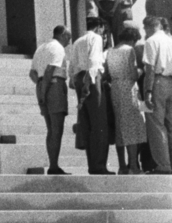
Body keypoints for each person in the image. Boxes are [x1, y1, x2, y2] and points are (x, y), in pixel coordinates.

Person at [65, 16, 110, 174]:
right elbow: (93, 61)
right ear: (99, 27)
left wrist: (79, 82)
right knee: (99, 124)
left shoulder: (78, 41)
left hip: (78, 78)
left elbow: (71, 67)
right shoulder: (96, 38)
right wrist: (88, 83)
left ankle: (93, 165)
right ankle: (99, 165)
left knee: (87, 123)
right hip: (90, 78)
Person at [105, 23, 147, 174]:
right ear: (132, 40)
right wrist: (141, 71)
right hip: (129, 88)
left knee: (120, 128)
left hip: (115, 88)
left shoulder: (110, 51)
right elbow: (133, 74)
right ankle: (134, 166)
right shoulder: (129, 50)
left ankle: (122, 165)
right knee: (133, 127)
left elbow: (107, 73)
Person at [29, 24, 70, 174]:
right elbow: (49, 71)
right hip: (54, 85)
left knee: (50, 129)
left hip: (42, 85)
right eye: (68, 38)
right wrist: (45, 91)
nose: (68, 42)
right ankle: (53, 165)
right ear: (63, 35)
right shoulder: (58, 48)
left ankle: (53, 164)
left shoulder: (41, 48)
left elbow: (32, 73)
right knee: (56, 129)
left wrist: (40, 87)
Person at [141, 13, 172, 175]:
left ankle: (163, 164)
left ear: (149, 26)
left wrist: (148, 92)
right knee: (170, 124)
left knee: (156, 125)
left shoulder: (151, 41)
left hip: (159, 82)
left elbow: (150, 69)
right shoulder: (170, 39)